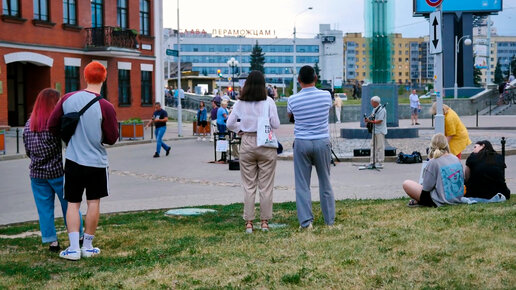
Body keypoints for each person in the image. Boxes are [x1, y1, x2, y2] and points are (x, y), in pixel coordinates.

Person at [48, 61, 119, 260]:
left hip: (73, 159)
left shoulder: (67, 99)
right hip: (96, 161)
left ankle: (72, 248)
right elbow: (112, 137)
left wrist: (69, 139)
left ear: (85, 77)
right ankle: (88, 246)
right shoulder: (106, 106)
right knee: (93, 201)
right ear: (103, 78)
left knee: (73, 203)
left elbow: (52, 125)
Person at [23, 88, 82, 252]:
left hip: (36, 174)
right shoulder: (53, 126)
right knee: (70, 206)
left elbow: (28, 151)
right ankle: (78, 235)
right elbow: (65, 144)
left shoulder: (28, 126)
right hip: (56, 173)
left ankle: (52, 241)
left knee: (44, 210)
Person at [227, 71, 280, 233]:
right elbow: (276, 124)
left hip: (248, 142)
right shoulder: (269, 101)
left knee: (249, 186)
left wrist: (240, 130)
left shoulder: (240, 103)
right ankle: (264, 222)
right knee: (266, 186)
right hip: (265, 143)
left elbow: (229, 123)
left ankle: (249, 222)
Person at [287, 65, 335, 229]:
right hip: (322, 140)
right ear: (316, 78)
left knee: (302, 184)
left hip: (302, 141)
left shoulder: (292, 99)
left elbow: (291, 117)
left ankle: (306, 222)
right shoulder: (326, 96)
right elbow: (327, 110)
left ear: (299, 80)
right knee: (325, 182)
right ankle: (329, 221)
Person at [402, 133, 465, 207]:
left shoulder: (433, 162)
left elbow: (426, 188)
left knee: (407, 184)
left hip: (440, 200)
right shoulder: (455, 158)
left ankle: (419, 201)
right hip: (457, 197)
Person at [364, 96, 387, 168]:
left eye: (372, 102)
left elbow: (379, 121)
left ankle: (381, 162)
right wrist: (368, 119)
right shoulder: (375, 109)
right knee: (373, 146)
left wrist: (369, 121)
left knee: (380, 147)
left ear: (376, 102)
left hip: (380, 131)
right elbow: (372, 116)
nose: (371, 103)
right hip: (374, 130)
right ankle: (372, 161)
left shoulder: (382, 110)